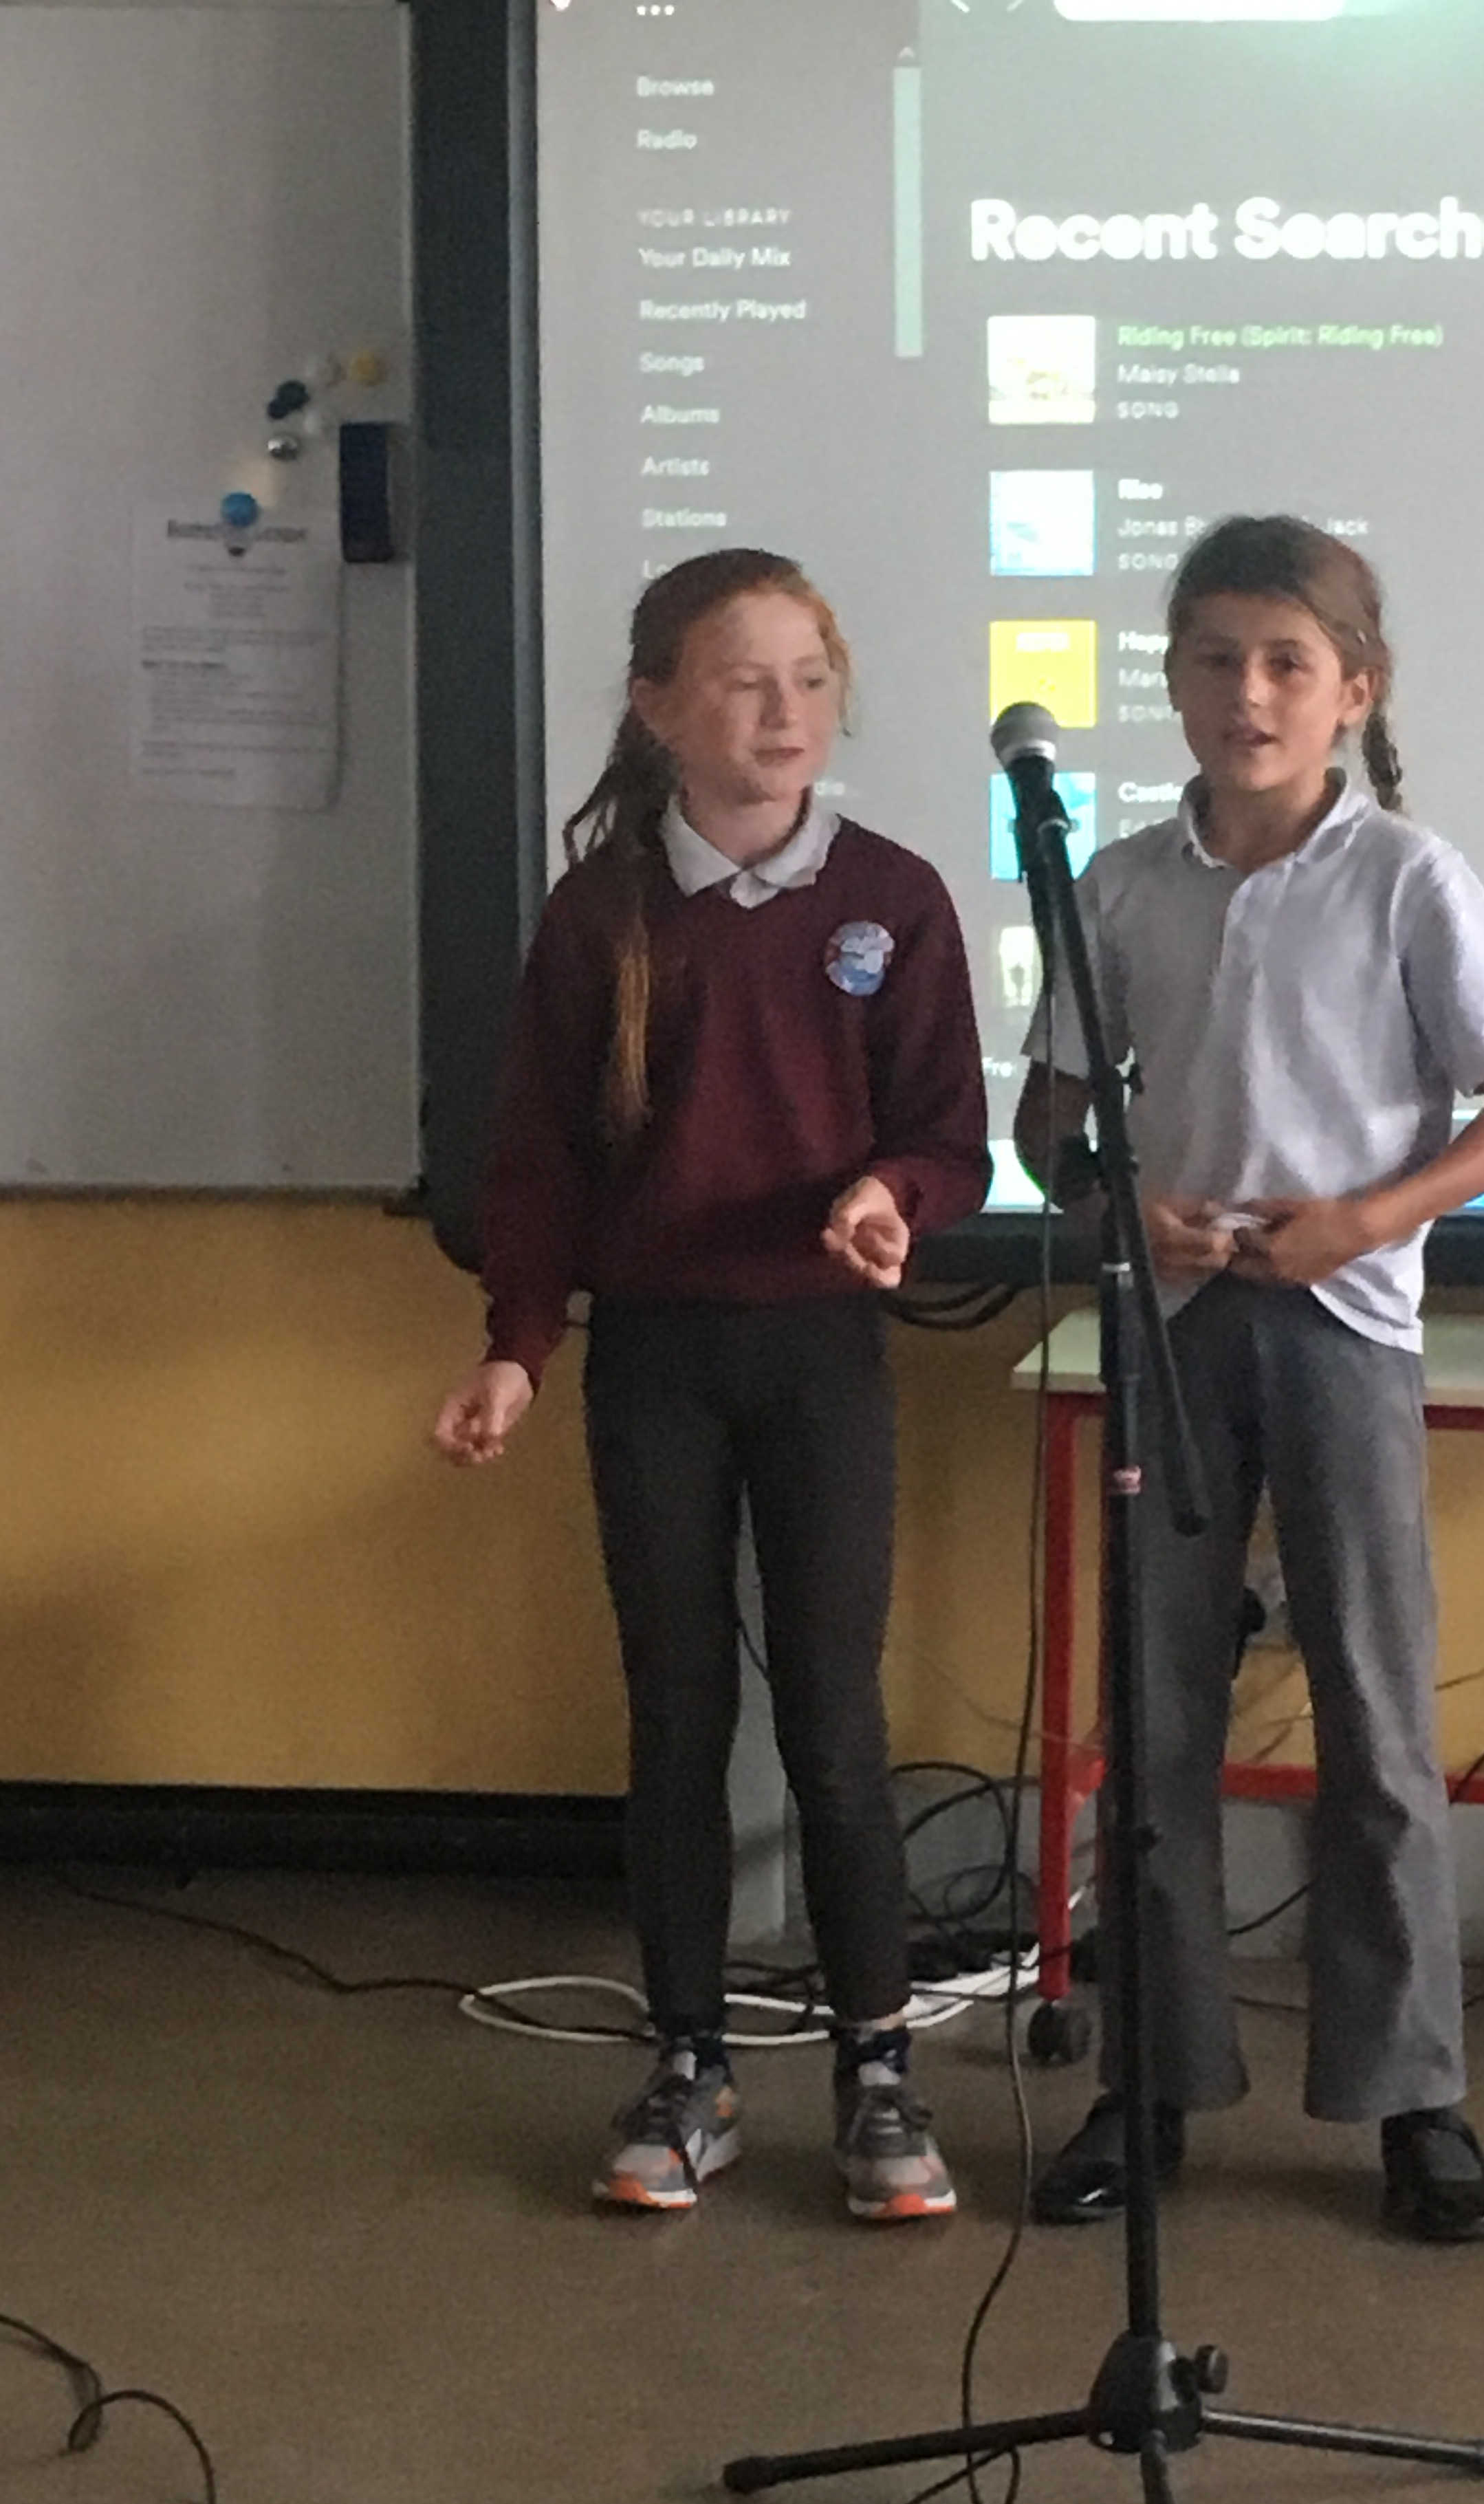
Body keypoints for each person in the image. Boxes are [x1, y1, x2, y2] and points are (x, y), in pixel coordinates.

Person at [1014, 514, 1484, 2243]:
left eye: (1284, 663)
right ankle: (1152, 2082)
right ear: (1174, 681)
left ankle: (1414, 2099)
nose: (1246, 694)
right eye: (1213, 660)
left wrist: (1368, 1221)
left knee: (1375, 1719)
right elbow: (1050, 1122)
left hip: (1348, 1330)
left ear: (1353, 691)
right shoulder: (1119, 882)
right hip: (1174, 1335)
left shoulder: (1409, 877)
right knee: (1157, 1717)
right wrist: (1119, 1206)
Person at [433, 547, 990, 2223]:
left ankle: (877, 2071)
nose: (784, 712)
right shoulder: (599, 913)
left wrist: (893, 1198)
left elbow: (946, 1134)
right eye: (744, 682)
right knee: (677, 1715)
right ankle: (690, 2062)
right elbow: (538, 1163)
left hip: (822, 1357)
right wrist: (517, 1347)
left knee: (834, 1716)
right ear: (658, 706)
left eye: (811, 680)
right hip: (658, 1362)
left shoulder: (891, 897)